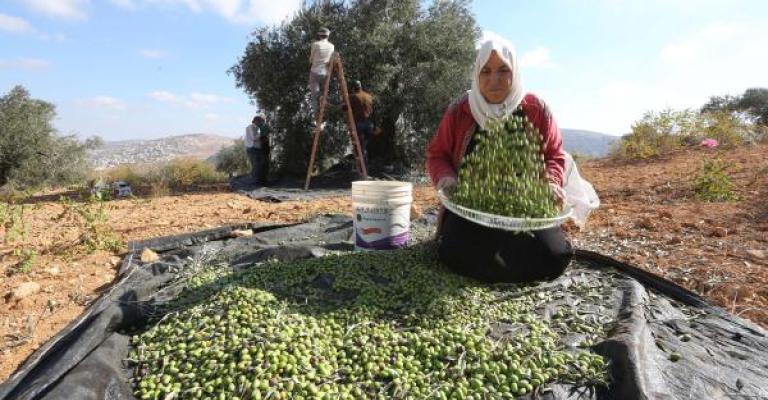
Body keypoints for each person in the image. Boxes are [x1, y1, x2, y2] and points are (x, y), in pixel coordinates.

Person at [426, 38, 572, 283]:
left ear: (515, 72)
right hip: (471, 207)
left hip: (526, 208)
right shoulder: (461, 109)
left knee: (553, 255)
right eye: (486, 71)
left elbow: (554, 156)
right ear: (476, 73)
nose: (494, 80)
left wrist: (551, 182)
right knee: (454, 252)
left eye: (503, 70)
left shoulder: (535, 108)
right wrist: (447, 179)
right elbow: (437, 154)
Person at [344, 80, 374, 166]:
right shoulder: (369, 96)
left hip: (359, 124)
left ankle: (363, 169)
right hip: (369, 125)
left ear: (353, 88)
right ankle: (366, 167)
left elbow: (345, 107)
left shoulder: (353, 97)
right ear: (361, 87)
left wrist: (331, 105)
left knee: (360, 149)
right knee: (364, 146)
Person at [309, 27, 335, 120]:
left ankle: (317, 115)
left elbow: (311, 59)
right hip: (325, 73)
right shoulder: (332, 46)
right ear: (328, 36)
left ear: (319, 35)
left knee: (314, 95)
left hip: (315, 72)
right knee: (325, 93)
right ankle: (323, 105)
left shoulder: (315, 44)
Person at [244, 114, 270, 185]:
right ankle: (254, 182)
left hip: (257, 149)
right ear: (256, 121)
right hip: (252, 149)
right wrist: (261, 133)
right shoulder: (250, 127)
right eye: (261, 122)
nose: (262, 123)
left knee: (259, 166)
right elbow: (254, 138)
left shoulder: (257, 128)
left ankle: (258, 182)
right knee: (256, 166)